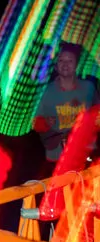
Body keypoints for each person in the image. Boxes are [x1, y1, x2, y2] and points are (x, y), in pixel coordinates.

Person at [33, 43, 98, 172]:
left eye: (70, 60)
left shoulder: (88, 88)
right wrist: (45, 123)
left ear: (76, 65)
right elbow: (36, 122)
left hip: (85, 153)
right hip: (57, 156)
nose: (65, 64)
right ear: (56, 66)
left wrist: (91, 121)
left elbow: (97, 112)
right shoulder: (47, 91)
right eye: (61, 60)